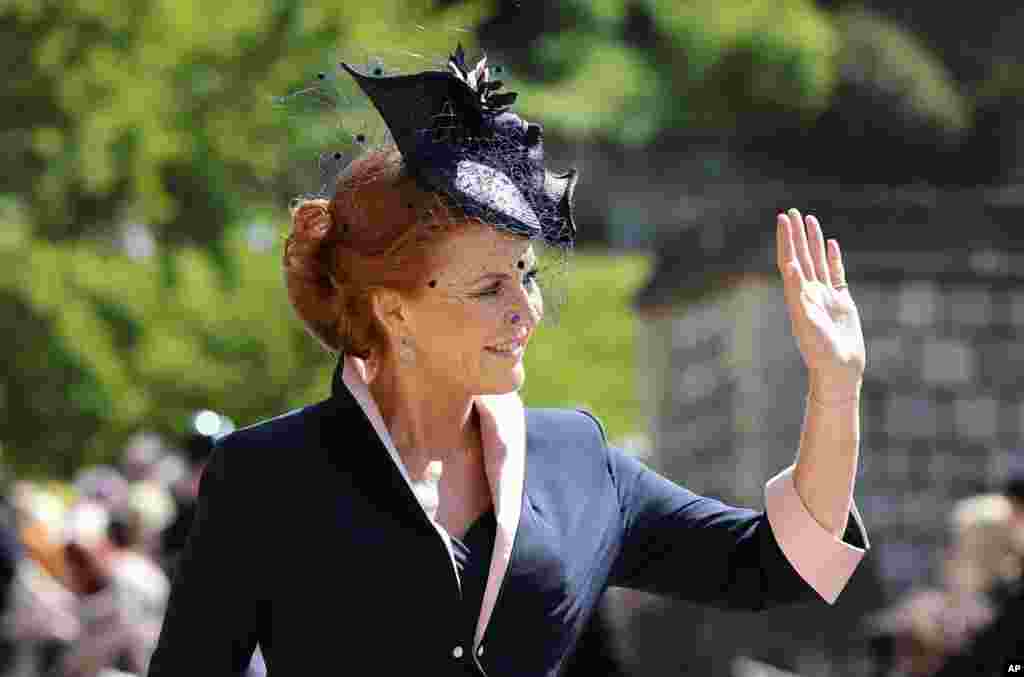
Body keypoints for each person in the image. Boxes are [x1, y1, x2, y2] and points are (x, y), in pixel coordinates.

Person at [147, 44, 870, 676]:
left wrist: (834, 392)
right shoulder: (265, 476)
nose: (526, 310)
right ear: (394, 309)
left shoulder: (579, 459)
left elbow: (781, 564)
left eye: (524, 274)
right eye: (489, 287)